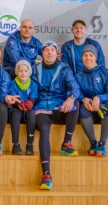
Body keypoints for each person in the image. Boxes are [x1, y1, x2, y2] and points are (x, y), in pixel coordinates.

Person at [32, 41, 81, 190]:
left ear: (57, 53)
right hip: (41, 109)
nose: (49, 52)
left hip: (59, 107)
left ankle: (66, 143)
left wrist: (70, 98)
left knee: (75, 104)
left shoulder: (64, 68)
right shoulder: (34, 68)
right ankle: (46, 174)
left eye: (52, 50)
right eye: (46, 50)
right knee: (44, 132)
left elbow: (75, 87)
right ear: (42, 53)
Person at [75, 44, 108, 157]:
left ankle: (102, 144)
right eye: (85, 55)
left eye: (91, 55)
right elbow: (76, 92)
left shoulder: (106, 72)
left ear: (96, 57)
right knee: (81, 109)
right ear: (82, 58)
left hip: (102, 106)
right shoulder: (78, 75)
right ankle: (93, 143)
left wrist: (99, 98)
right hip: (88, 107)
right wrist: (84, 99)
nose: (88, 58)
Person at [4, 59, 37, 155]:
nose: (23, 73)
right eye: (20, 71)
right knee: (16, 112)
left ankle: (30, 145)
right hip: (16, 109)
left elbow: (33, 99)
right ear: (16, 72)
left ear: (29, 73)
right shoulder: (12, 83)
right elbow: (13, 98)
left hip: (27, 111)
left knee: (32, 113)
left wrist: (30, 103)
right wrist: (19, 104)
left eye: (26, 71)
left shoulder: (33, 84)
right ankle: (16, 144)